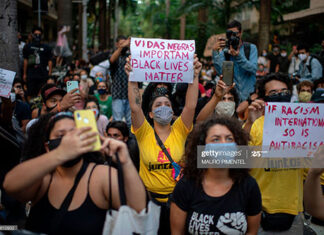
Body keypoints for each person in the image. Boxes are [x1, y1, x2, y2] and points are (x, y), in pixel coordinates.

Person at [3, 112, 146, 234]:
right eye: (61, 135)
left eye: (73, 133)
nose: (69, 139)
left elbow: (139, 210)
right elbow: (10, 185)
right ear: (48, 146)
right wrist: (60, 153)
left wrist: (126, 162)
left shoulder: (101, 175)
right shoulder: (43, 178)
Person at [126, 55, 201, 234]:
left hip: (179, 201)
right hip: (149, 203)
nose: (163, 107)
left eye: (167, 104)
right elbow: (136, 107)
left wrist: (195, 75)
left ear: (173, 111)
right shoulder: (144, 132)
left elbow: (190, 107)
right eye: (158, 105)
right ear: (150, 114)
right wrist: (132, 78)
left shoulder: (180, 130)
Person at [171, 116, 261, 235]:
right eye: (216, 139)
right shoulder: (185, 186)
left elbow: (252, 231)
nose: (224, 144)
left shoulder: (249, 186)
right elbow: (177, 232)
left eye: (229, 139)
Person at [245, 73, 304, 234]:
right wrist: (250, 123)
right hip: (259, 211)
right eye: (273, 93)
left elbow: (311, 169)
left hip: (294, 212)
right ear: (264, 97)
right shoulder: (256, 124)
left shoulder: (303, 125)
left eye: (284, 91)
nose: (280, 95)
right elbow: (240, 161)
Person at [212, 20, 258, 102]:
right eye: (230, 34)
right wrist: (215, 53)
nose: (232, 36)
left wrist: (238, 56)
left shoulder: (251, 48)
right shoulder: (225, 51)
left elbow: (253, 69)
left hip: (249, 97)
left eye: (235, 33)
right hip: (233, 98)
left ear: (240, 33)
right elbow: (221, 72)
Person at [23, 27, 52, 98]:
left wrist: (49, 75)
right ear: (32, 35)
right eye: (36, 34)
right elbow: (25, 60)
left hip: (42, 74)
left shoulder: (46, 47)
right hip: (31, 74)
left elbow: (50, 61)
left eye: (39, 34)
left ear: (42, 35)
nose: (37, 36)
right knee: (30, 93)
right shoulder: (28, 47)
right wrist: (24, 74)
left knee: (42, 93)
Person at [109, 36, 131, 127]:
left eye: (125, 43)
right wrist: (122, 47)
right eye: (121, 43)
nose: (124, 46)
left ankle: (131, 140)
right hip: (117, 94)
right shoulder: (115, 56)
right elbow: (111, 60)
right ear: (117, 44)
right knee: (117, 121)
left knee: (131, 122)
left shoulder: (130, 56)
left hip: (130, 95)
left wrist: (131, 45)